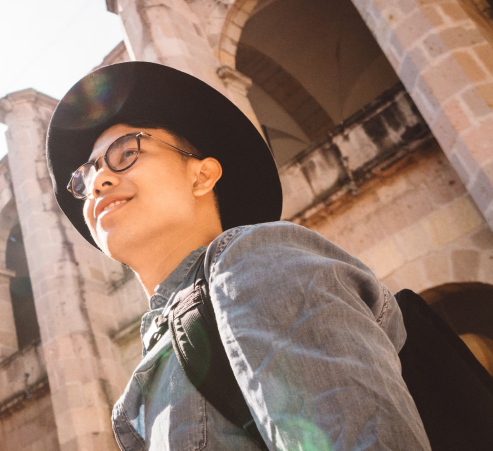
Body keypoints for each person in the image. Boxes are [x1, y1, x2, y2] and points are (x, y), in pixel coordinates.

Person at [45, 61, 431, 450]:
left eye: (126, 153)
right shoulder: (155, 360)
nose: (99, 182)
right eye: (85, 176)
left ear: (202, 176)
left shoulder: (249, 262)